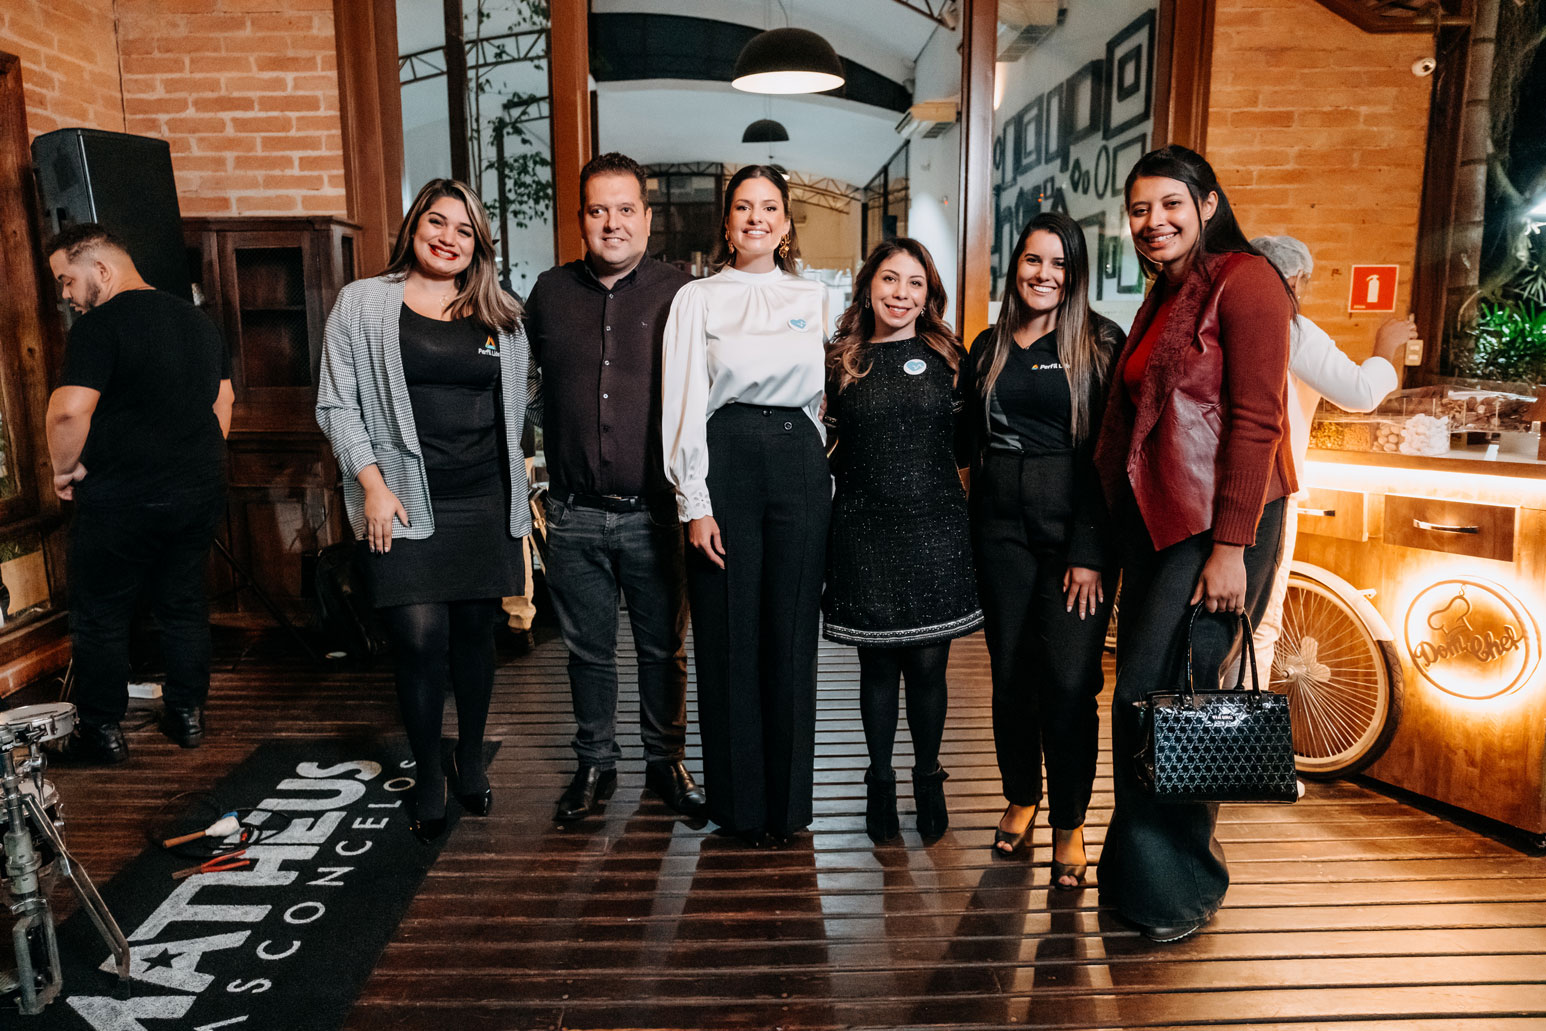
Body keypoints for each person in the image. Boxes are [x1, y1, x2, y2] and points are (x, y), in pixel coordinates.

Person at [1092, 146, 1296, 943]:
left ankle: (1177, 890)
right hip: (1165, 521)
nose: (1154, 221)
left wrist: (1231, 547)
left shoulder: (1248, 281)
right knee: (1151, 698)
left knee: (1171, 698)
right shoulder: (1167, 292)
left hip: (1218, 523)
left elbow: (1256, 421)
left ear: (1208, 204)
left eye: (1171, 203)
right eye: (1140, 209)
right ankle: (1141, 875)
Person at [316, 178, 531, 843]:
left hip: (483, 499)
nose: (448, 238)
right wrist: (373, 483)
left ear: (479, 246)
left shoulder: (501, 312)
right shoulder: (363, 303)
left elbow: (519, 403)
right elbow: (335, 402)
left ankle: (470, 758)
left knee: (475, 636)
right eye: (437, 222)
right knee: (417, 639)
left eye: (465, 231)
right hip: (403, 499)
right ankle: (429, 772)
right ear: (413, 226)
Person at [526, 151, 706, 822]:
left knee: (664, 650)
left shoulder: (683, 293)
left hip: (656, 514)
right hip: (573, 513)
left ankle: (666, 762)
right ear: (580, 219)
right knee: (587, 653)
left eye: (625, 209)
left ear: (647, 218)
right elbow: (524, 384)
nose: (612, 223)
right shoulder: (549, 293)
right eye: (598, 210)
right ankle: (595, 763)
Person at [662, 164, 829, 847]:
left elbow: (820, 400)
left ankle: (787, 808)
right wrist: (694, 502)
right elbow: (682, 402)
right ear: (726, 223)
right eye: (743, 207)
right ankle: (740, 806)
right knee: (728, 634)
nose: (756, 217)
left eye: (769, 207)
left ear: (786, 223)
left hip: (799, 462)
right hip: (725, 456)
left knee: (791, 636)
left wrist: (822, 474)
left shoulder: (813, 295)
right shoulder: (696, 298)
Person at [959, 212, 1124, 885]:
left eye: (1059, 264)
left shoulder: (1100, 343)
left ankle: (1071, 820)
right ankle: (1022, 794)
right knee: (1010, 677)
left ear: (1075, 273)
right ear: (1016, 265)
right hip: (999, 531)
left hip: (1074, 536)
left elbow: (1109, 455)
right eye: (1033, 260)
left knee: (1068, 682)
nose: (1044, 274)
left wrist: (1090, 549)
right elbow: (963, 440)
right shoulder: (988, 344)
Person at [43, 223, 233, 764]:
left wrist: (63, 470)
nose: (66, 295)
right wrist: (191, 458)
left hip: (121, 496)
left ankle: (102, 732)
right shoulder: (198, 322)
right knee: (183, 603)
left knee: (101, 614)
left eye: (67, 280)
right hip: (196, 490)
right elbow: (224, 402)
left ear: (101, 270)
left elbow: (68, 410)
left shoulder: (98, 327)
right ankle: (188, 715)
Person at [823, 238, 982, 844]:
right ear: (869, 286)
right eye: (890, 279)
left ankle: (928, 776)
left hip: (935, 527)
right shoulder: (842, 360)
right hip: (863, 530)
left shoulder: (949, 358)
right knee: (877, 665)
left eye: (915, 283)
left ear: (928, 295)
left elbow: (966, 446)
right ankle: (880, 781)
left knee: (929, 665)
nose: (901, 293)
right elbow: (827, 449)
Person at [1248, 235, 1409, 671]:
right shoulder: (1293, 328)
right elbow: (1360, 393)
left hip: (1230, 489)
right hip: (1273, 491)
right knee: (1260, 621)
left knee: (1231, 616)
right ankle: (1244, 714)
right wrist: (1385, 347)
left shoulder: (1232, 321)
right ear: (1296, 279)